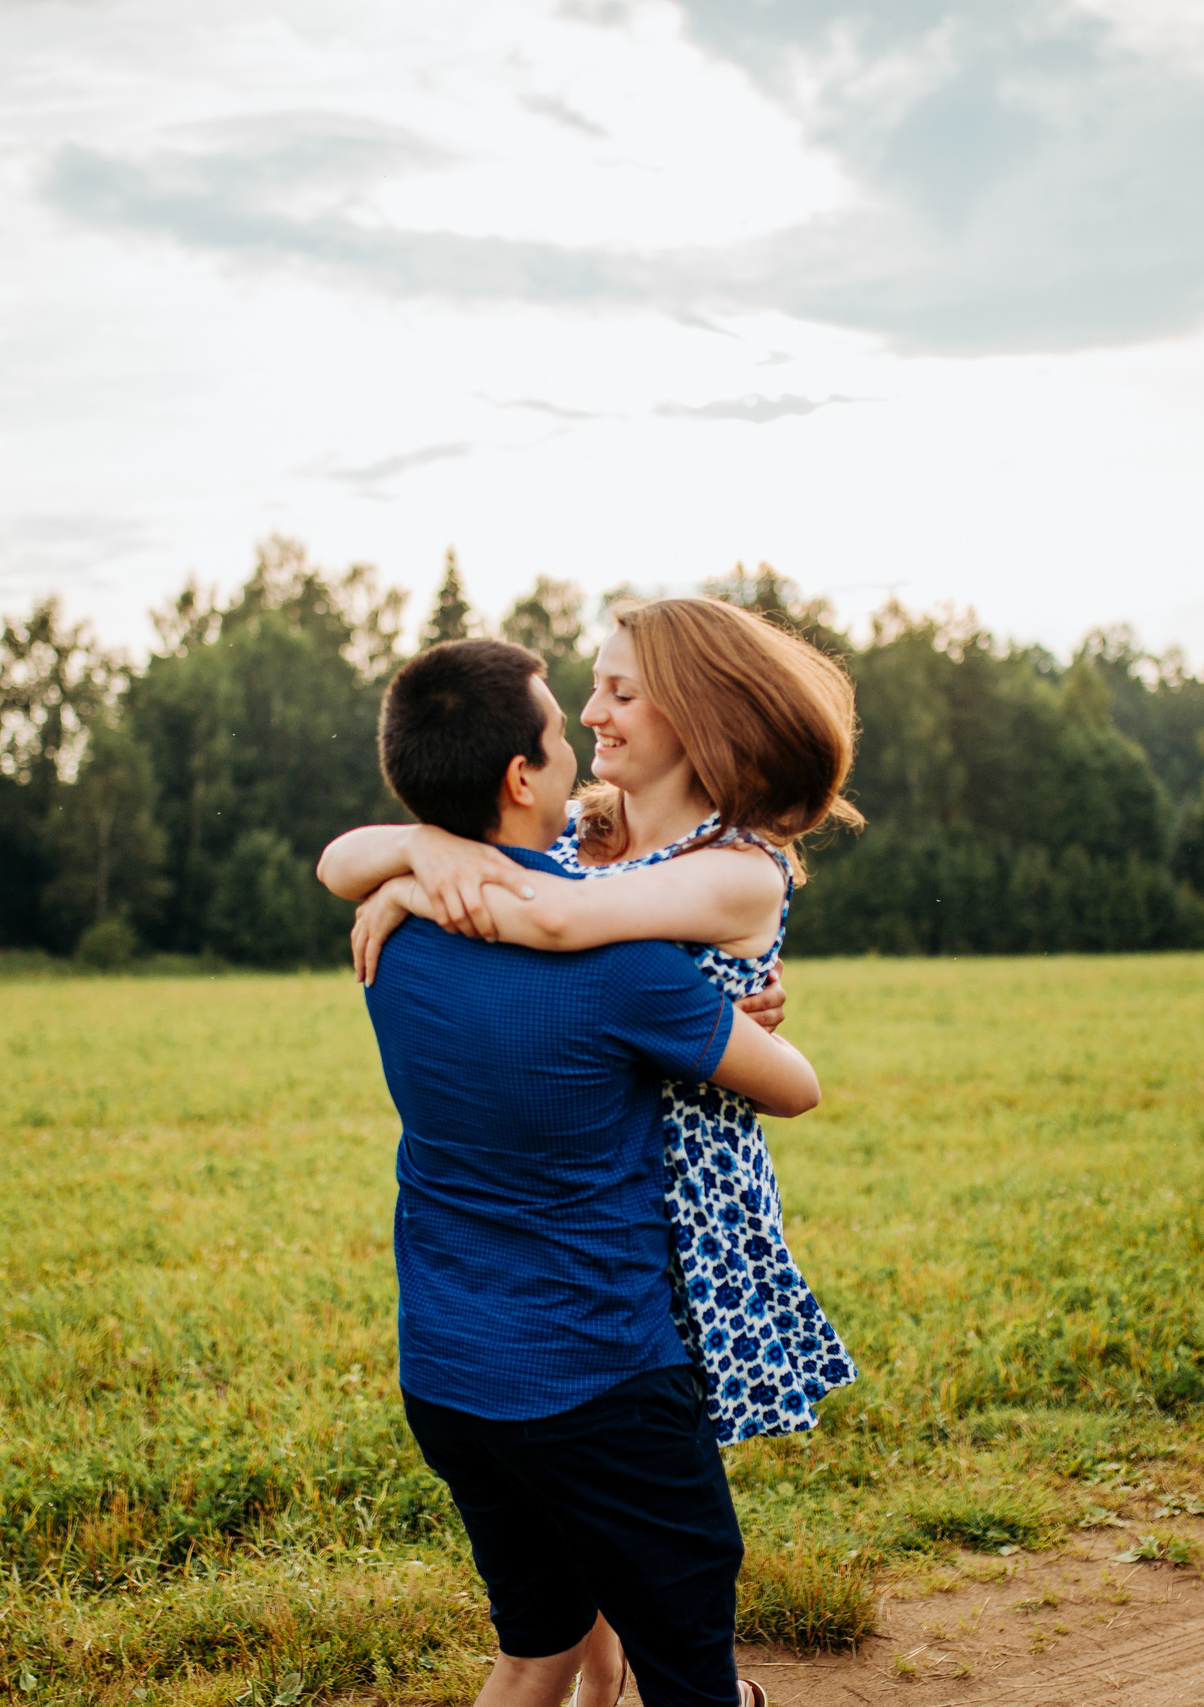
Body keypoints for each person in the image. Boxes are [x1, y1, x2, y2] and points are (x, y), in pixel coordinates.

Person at [321, 597, 861, 1707]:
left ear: (696, 714)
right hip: (586, 1175)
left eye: (619, 690)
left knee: (618, 1514)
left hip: (676, 1195)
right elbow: (355, 857)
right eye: (591, 691)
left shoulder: (739, 866)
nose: (591, 708)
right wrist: (420, 851)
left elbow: (565, 925)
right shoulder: (589, 827)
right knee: (609, 1518)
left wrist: (420, 886)